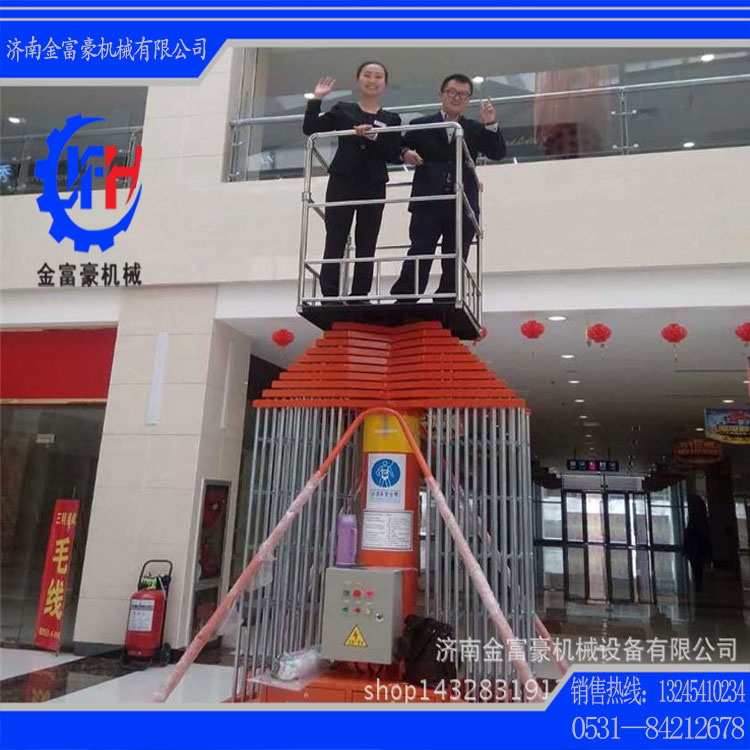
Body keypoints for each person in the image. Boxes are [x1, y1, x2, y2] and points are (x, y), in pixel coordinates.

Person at [390, 74, 506, 301]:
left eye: (463, 94)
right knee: (420, 249)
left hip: (463, 201)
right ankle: (406, 297)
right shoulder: (421, 124)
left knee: (457, 252)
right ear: (441, 94)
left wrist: (490, 124)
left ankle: (447, 298)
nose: (457, 97)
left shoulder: (474, 128)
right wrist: (406, 153)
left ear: (468, 99)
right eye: (452, 92)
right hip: (428, 199)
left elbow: (497, 153)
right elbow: (398, 147)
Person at [303, 62, 402, 300]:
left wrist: (375, 136)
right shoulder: (342, 109)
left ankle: (360, 293)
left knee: (367, 240)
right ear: (358, 80)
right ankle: (330, 294)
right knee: (335, 237)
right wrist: (317, 99)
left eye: (378, 76)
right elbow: (311, 128)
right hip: (343, 180)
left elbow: (393, 153)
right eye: (367, 75)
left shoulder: (392, 118)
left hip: (374, 183)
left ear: (385, 84)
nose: (372, 80)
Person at [683, 493, 713, 594]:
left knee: (698, 572)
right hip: (699, 551)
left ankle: (700, 589)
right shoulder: (701, 520)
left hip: (696, 551)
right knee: (699, 572)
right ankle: (701, 589)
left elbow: (690, 535)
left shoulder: (694, 520)